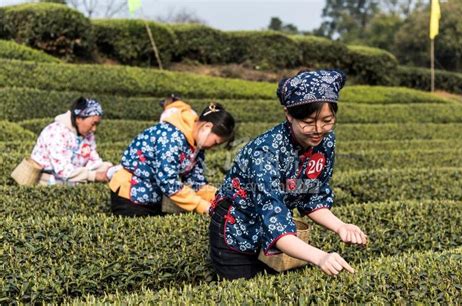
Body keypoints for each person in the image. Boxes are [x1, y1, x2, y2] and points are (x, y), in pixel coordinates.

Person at [209, 70, 368, 280]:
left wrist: (341, 227)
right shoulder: (265, 152)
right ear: (289, 114)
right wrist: (320, 257)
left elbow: (313, 196)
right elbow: (272, 215)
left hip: (273, 232)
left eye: (327, 120)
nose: (318, 129)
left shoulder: (325, 141)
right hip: (237, 230)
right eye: (308, 122)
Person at [108, 99, 236, 217]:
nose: (214, 147)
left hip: (151, 198)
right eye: (216, 142)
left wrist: (221, 198)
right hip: (130, 195)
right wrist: (204, 207)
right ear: (207, 127)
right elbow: (168, 182)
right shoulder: (171, 137)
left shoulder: (196, 146)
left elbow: (196, 182)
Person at [30, 97, 112, 185]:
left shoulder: (88, 135)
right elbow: (63, 171)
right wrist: (93, 175)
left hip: (75, 176)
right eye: (93, 124)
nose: (94, 129)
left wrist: (109, 170)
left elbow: (94, 161)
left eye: (97, 124)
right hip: (50, 180)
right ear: (79, 119)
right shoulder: (56, 132)